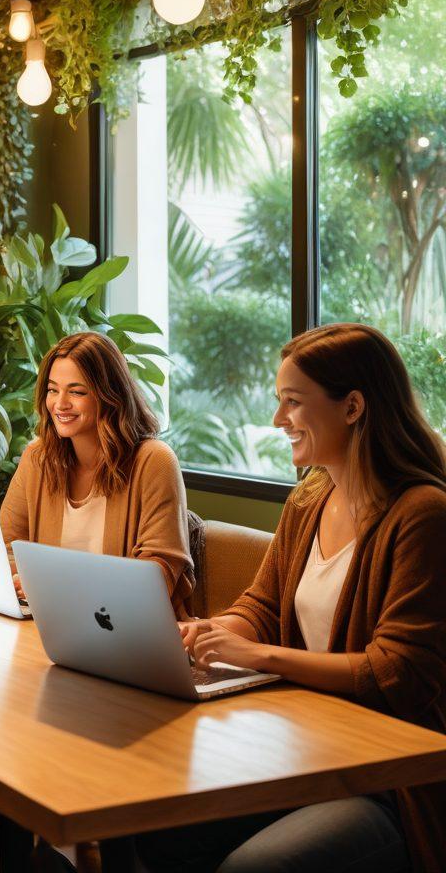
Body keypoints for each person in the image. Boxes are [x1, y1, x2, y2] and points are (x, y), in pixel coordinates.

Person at [135, 323, 446, 873]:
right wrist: (207, 633)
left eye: (292, 403)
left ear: (352, 407)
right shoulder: (310, 497)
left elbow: (397, 673)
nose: (279, 420)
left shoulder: (422, 515)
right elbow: (265, 608)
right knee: (140, 822)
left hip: (390, 780)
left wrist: (259, 657)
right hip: (306, 751)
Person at [0, 331, 194, 615]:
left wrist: (54, 586)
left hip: (126, 634)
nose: (60, 404)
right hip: (48, 621)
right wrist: (21, 579)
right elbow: (5, 547)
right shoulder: (38, 458)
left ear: (110, 395)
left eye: (76, 392)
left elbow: (155, 579)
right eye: (53, 390)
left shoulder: (155, 461)